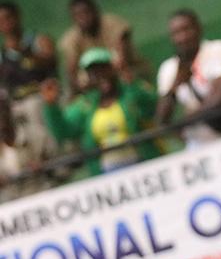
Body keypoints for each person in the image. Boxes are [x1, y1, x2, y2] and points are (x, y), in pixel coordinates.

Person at [42, 47, 160, 176]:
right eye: (93, 72)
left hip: (143, 165)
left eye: (104, 69)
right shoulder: (85, 105)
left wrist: (131, 83)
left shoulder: (129, 92)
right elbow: (63, 131)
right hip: (107, 173)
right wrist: (51, 106)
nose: (100, 75)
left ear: (113, 68)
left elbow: (152, 106)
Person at [155, 9, 221, 149]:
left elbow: (219, 99)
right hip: (197, 147)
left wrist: (184, 121)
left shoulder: (218, 49)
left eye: (186, 29)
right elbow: (162, 120)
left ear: (198, 28)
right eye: (176, 33)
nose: (183, 37)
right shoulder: (168, 68)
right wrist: (175, 85)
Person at [0, 0, 59, 198]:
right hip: (15, 106)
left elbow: (51, 61)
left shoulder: (37, 41)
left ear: (18, 17)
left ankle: (53, 165)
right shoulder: (2, 54)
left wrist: (26, 53)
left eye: (9, 18)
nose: (6, 24)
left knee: (35, 108)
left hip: (41, 98)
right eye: (1, 20)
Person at [59, 0, 150, 94]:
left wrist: (105, 76)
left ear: (95, 10)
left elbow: (121, 60)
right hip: (94, 83)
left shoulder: (113, 24)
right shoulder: (70, 39)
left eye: (86, 12)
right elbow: (72, 72)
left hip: (126, 73)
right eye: (78, 15)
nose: (83, 18)